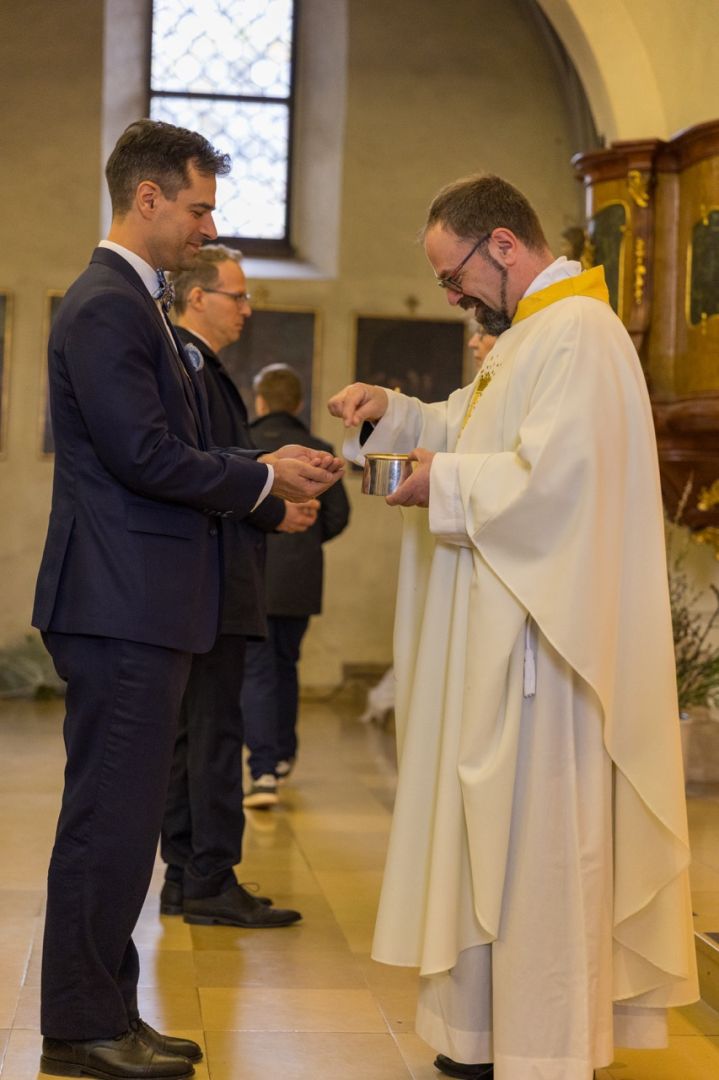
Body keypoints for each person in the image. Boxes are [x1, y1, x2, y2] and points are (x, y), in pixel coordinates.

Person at [328, 174, 698, 1080]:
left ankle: (541, 1046)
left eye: (453, 276)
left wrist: (442, 482)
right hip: (501, 638)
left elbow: (557, 481)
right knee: (488, 844)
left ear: (500, 243)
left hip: (542, 647)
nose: (452, 295)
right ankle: (481, 1035)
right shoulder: (531, 334)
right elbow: (474, 427)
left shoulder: (579, 332)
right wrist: (396, 412)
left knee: (536, 851)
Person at [31, 118, 343, 1080]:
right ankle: (81, 1027)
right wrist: (260, 479)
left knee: (125, 824)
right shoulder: (106, 307)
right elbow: (143, 455)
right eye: (199, 208)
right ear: (148, 197)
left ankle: (108, 1011)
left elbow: (174, 448)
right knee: (108, 821)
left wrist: (263, 471)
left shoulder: (138, 306)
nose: (208, 227)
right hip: (120, 599)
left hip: (140, 599)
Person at [160, 246, 318, 926]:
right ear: (198, 297)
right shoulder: (190, 365)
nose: (248, 309)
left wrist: (274, 497)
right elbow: (202, 472)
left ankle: (184, 873)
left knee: (192, 733)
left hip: (203, 580)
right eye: (238, 295)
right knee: (214, 734)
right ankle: (209, 877)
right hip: (213, 582)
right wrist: (272, 490)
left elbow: (217, 467)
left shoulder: (193, 365)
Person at [242, 364, 351, 806]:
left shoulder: (247, 446)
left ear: (260, 401)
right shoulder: (320, 451)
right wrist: (304, 543)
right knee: (286, 665)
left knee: (257, 670)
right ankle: (284, 754)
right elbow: (338, 516)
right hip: (300, 579)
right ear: (299, 403)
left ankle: (263, 769)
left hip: (252, 573)